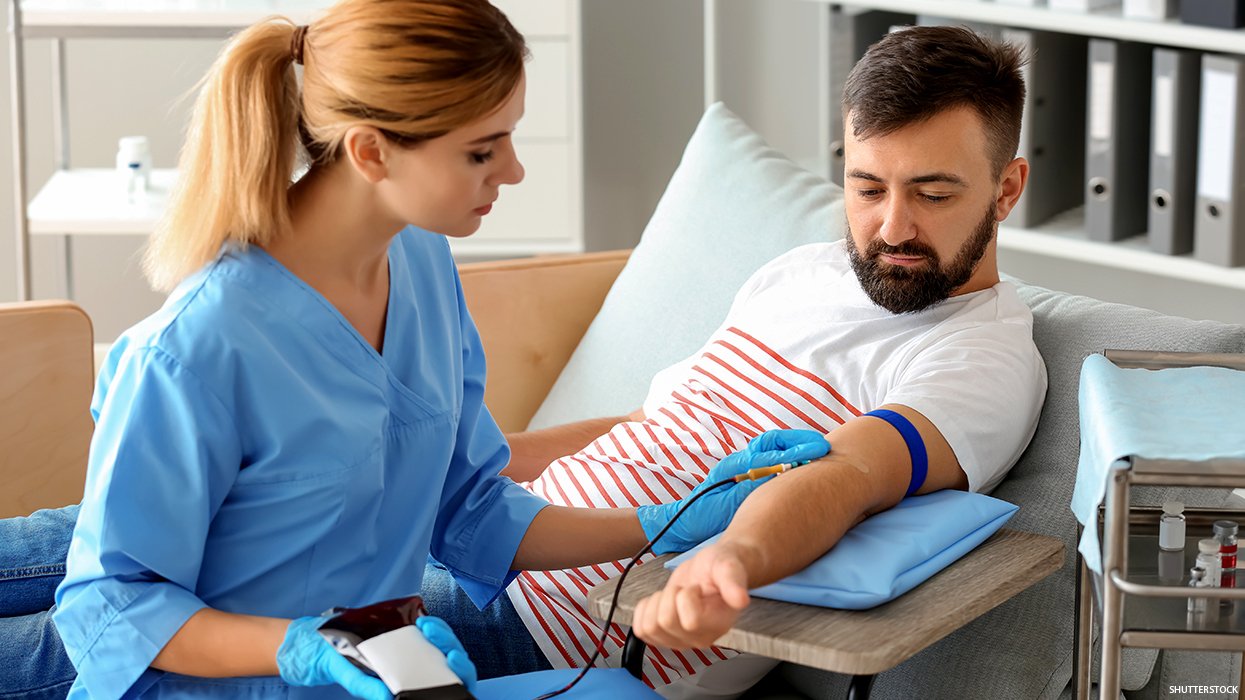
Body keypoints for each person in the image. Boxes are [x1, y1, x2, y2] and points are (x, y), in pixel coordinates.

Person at [0, 1, 830, 698]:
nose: (511, 172)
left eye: (509, 138)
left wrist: (664, 523)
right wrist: (305, 645)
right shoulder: (197, 348)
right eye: (481, 150)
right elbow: (114, 605)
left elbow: (469, 506)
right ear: (369, 151)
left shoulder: (423, 265)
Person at [624, 24, 1048, 664]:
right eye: (868, 188)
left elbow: (847, 475)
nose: (893, 226)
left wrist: (733, 555)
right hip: (492, 548)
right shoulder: (801, 271)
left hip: (589, 624)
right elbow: (644, 424)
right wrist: (468, 470)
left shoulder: (984, 356)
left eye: (933, 194)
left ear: (1006, 190)